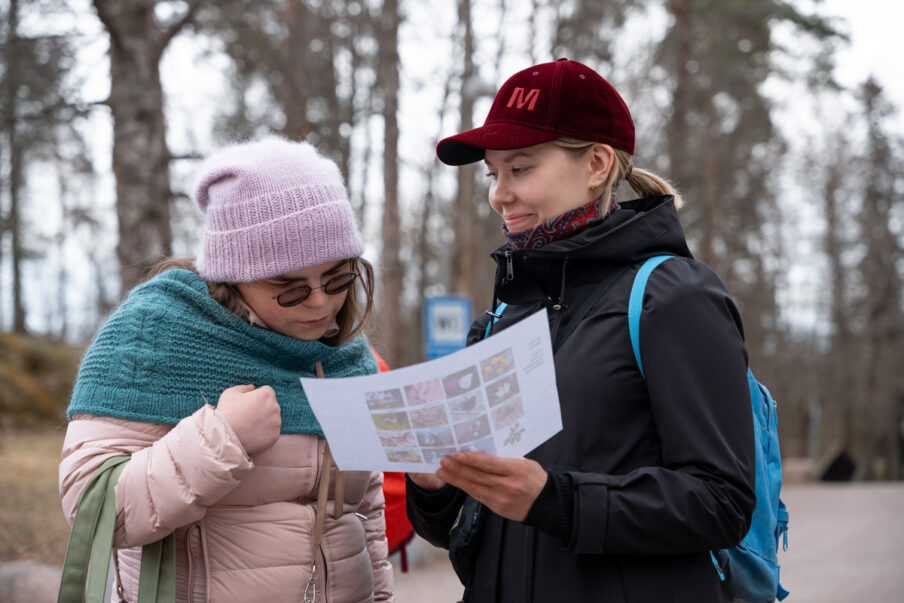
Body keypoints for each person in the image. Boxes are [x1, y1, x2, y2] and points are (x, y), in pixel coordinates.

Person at [406, 58, 756, 602]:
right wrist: (433, 486)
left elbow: (722, 502)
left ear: (596, 164)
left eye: (520, 169)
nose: (499, 194)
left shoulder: (674, 297)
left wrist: (558, 501)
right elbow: (458, 531)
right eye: (493, 174)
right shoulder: (498, 322)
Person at [59, 138, 395, 603]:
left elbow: (363, 516)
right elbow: (92, 510)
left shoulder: (347, 360)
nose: (321, 302)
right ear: (232, 273)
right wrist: (222, 438)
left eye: (337, 277)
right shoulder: (152, 336)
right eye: (289, 286)